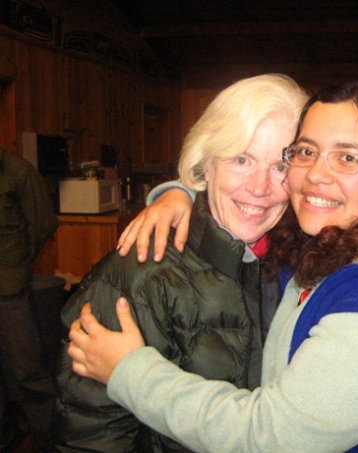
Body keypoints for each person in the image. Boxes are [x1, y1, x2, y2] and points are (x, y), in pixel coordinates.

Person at [67, 80, 358, 452]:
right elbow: (89, 426)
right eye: (306, 152)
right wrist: (176, 192)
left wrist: (130, 371)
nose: (314, 175)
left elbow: (268, 436)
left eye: (349, 158)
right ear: (205, 166)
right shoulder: (310, 245)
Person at [53, 74, 308, 452]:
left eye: (280, 167)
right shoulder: (145, 268)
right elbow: (91, 431)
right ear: (205, 165)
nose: (259, 187)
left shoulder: (301, 260)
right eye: (241, 159)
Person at [0, 148, 58, 452]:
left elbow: (44, 222)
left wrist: (18, 263)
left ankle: (53, 443)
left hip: (9, 288)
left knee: (28, 374)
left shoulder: (17, 171)